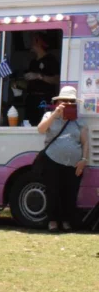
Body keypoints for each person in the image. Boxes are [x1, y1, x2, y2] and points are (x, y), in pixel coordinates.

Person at [37, 87, 88, 232]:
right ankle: (52, 221)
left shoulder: (79, 121)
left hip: (73, 164)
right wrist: (55, 114)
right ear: (58, 101)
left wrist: (84, 159)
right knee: (53, 191)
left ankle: (66, 221)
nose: (67, 103)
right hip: (52, 160)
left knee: (70, 193)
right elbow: (40, 130)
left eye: (71, 101)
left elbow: (85, 142)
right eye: (64, 100)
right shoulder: (49, 115)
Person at [23, 34, 60, 127]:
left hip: (45, 100)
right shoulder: (33, 62)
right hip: (31, 100)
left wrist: (39, 76)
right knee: (29, 125)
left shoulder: (51, 60)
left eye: (33, 40)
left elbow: (57, 80)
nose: (30, 43)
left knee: (44, 125)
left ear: (39, 42)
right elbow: (29, 83)